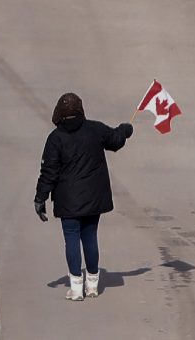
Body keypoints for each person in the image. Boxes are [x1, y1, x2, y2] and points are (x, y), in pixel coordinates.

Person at [33, 92, 133, 302]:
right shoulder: (95, 130)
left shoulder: (56, 138)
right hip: (94, 198)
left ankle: (76, 288)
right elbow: (116, 140)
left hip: (68, 200)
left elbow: (48, 172)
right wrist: (126, 129)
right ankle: (93, 285)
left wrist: (40, 198)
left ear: (59, 112)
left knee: (71, 239)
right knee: (90, 237)